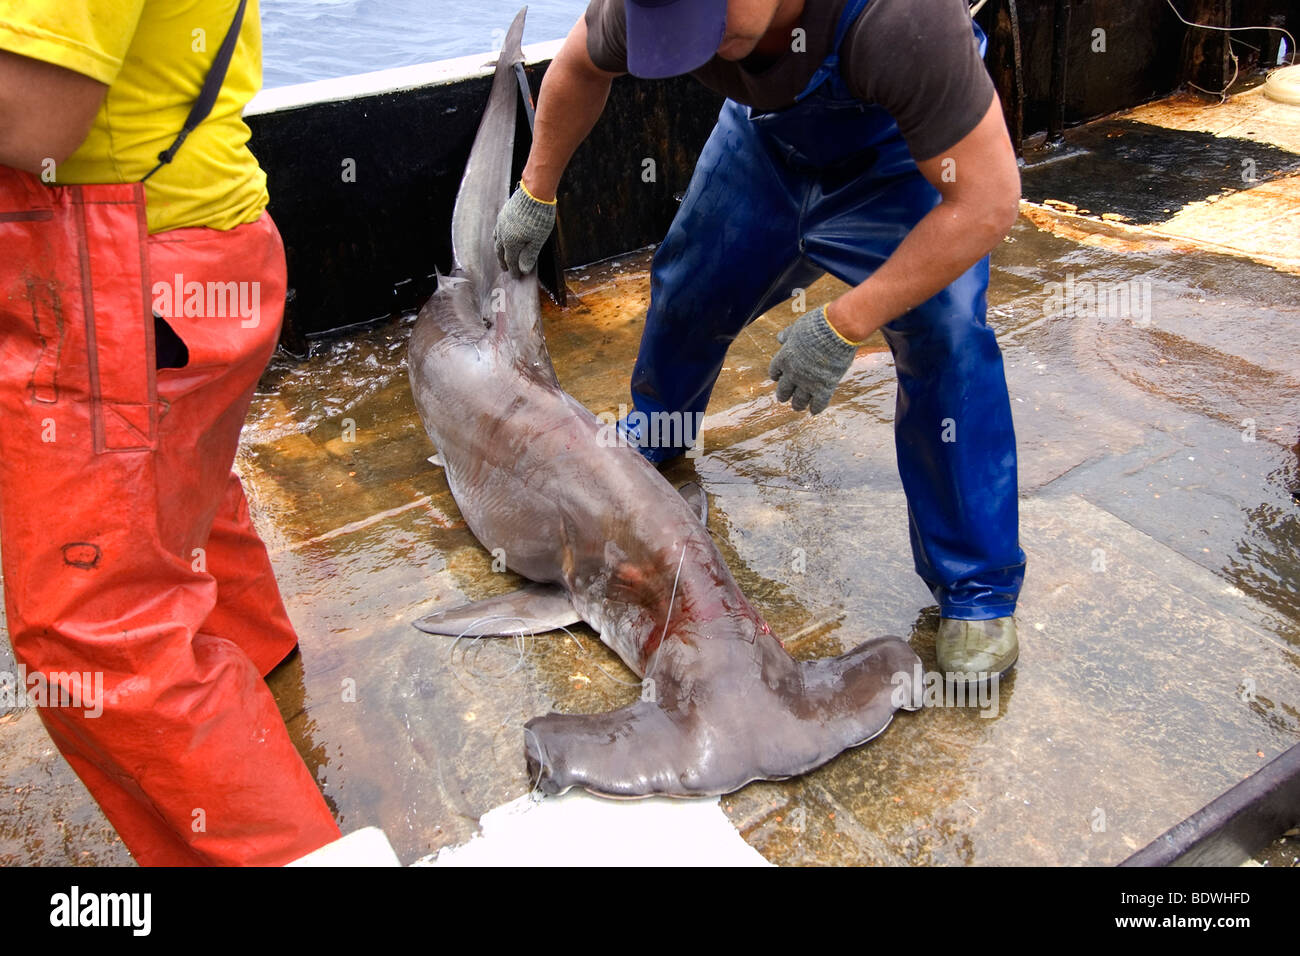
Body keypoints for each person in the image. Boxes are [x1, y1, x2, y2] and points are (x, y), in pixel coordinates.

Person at [494, 0, 1026, 677]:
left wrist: (847, 321)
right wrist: (537, 190)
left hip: (899, 162)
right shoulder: (646, 5)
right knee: (689, 286)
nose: (705, 50)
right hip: (766, 145)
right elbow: (577, 64)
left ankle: (977, 593)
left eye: (711, 27)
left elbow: (987, 200)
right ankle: (662, 423)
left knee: (945, 342)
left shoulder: (902, 21)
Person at [0, 0, 341, 864]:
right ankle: (266, 713)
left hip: (114, 271)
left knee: (101, 634)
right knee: (188, 512)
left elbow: (35, 117)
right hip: (213, 245)